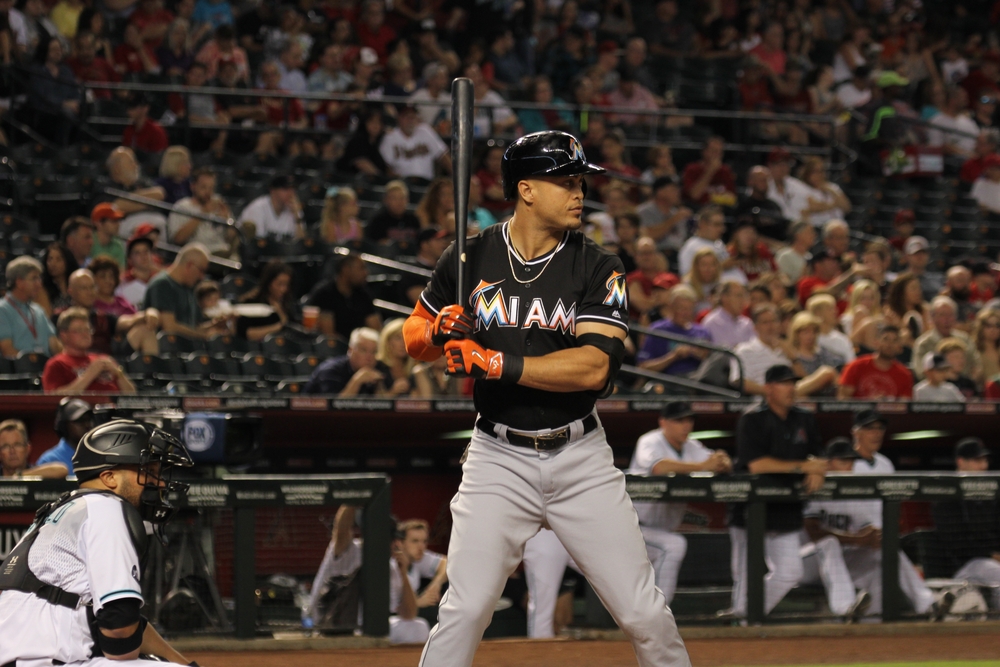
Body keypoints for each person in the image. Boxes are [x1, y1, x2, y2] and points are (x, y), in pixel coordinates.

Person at [402, 130, 691, 667]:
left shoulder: (598, 265)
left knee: (643, 613)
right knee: (464, 610)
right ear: (527, 190)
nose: (579, 193)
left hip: (579, 457)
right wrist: (440, 330)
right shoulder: (469, 256)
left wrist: (494, 362)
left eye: (581, 181)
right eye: (566, 182)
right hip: (497, 458)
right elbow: (412, 336)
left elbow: (593, 366)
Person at [0, 418, 195, 665]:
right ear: (109, 477)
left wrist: (184, 663)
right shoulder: (108, 507)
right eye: (149, 472)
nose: (161, 483)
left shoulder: (66, 510)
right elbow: (120, 634)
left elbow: (126, 622)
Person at [803, 412, 944, 620]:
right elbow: (813, 532)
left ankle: (926, 605)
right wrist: (859, 539)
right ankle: (845, 608)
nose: (849, 466)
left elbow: (868, 525)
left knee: (885, 553)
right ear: (828, 463)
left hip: (847, 556)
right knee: (829, 545)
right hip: (807, 559)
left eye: (850, 461)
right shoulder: (817, 484)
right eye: (842, 461)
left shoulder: (857, 487)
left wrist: (874, 536)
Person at [725, 364, 825, 619]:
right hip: (750, 511)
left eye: (793, 383)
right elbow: (758, 464)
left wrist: (817, 469)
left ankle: (744, 616)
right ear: (769, 388)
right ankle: (742, 628)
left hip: (785, 509)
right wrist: (805, 466)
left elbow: (818, 455)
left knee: (791, 572)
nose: (791, 388)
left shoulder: (804, 418)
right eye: (785, 383)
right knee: (745, 576)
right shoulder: (752, 419)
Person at [628, 402, 732, 604]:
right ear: (663, 422)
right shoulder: (650, 440)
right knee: (674, 545)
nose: (686, 426)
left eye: (689, 420)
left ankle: (654, 614)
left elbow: (718, 463)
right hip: (632, 529)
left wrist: (723, 462)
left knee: (668, 549)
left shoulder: (692, 446)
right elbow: (659, 467)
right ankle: (658, 614)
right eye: (679, 421)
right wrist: (703, 466)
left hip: (658, 533)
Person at [305, 505, 439, 643]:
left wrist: (403, 574)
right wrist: (351, 501)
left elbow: (409, 614)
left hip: (366, 629)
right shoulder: (351, 551)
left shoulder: (392, 567)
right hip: (331, 623)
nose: (394, 544)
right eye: (390, 539)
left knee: (418, 626)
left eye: (394, 540)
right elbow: (342, 530)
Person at [931, 438, 1000, 610]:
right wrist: (991, 555)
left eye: (984, 460)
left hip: (985, 568)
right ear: (961, 462)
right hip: (961, 568)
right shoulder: (946, 496)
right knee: (994, 571)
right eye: (977, 460)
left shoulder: (990, 496)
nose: (983, 466)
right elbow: (957, 544)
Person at [41, 307, 137, 394]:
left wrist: (118, 373)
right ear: (64, 336)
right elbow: (54, 398)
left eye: (87, 330)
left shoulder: (104, 359)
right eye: (79, 330)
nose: (85, 334)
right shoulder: (56, 364)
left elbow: (132, 395)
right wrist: (90, 374)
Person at [65, 268, 159, 356]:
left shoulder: (101, 317)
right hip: (78, 365)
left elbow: (126, 321)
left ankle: (154, 373)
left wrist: (147, 313)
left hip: (110, 364)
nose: (90, 292)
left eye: (92, 287)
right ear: (71, 291)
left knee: (146, 328)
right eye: (84, 288)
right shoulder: (62, 318)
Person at [142, 243, 221, 340]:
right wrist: (203, 336)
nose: (202, 276)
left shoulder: (189, 288)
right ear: (189, 265)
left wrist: (213, 325)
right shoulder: (162, 284)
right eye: (201, 270)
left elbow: (192, 328)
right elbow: (169, 327)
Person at [637, 284, 712, 377]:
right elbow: (643, 367)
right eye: (681, 308)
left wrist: (700, 354)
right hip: (670, 380)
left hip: (698, 378)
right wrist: (674, 356)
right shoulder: (658, 330)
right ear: (671, 307)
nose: (685, 313)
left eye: (689, 309)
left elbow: (711, 364)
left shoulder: (702, 332)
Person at [306, 253, 382, 341]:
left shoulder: (363, 294)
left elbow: (376, 328)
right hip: (335, 349)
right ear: (345, 270)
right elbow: (329, 335)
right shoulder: (324, 293)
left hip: (361, 346)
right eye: (361, 268)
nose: (366, 273)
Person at [168, 167, 237, 258]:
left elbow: (231, 238)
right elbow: (178, 239)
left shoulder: (218, 204)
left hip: (223, 250)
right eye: (203, 187)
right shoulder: (182, 206)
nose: (208, 192)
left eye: (211, 188)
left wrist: (226, 219)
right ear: (193, 186)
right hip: (198, 254)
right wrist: (203, 213)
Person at [0, 256, 61, 358]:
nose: (39, 284)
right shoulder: (2, 310)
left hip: (44, 370)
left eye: (39, 278)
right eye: (34, 278)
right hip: (19, 371)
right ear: (19, 282)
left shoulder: (38, 311)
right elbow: (7, 351)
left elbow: (55, 346)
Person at [837, 324, 913, 399]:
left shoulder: (904, 375)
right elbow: (843, 399)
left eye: (894, 340)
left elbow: (905, 405)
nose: (889, 344)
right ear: (876, 343)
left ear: (899, 347)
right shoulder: (856, 366)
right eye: (885, 339)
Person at [380, 105, 451, 182]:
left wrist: (457, 177)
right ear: (399, 118)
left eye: (413, 117)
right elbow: (385, 167)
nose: (410, 120)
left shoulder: (425, 131)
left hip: (426, 183)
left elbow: (443, 155)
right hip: (403, 185)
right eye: (407, 117)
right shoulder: (390, 137)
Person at [304, 327, 384, 395]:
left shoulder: (377, 370)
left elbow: (383, 408)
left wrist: (379, 387)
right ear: (351, 350)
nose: (369, 357)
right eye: (363, 350)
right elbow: (333, 408)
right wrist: (357, 381)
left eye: (374, 352)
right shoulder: (331, 370)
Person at [912, 296, 977, 381]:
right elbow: (920, 372)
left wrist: (966, 381)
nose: (947, 319)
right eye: (942, 315)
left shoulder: (965, 340)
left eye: (950, 315)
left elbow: (976, 366)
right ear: (932, 318)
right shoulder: (923, 344)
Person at [234, 260, 298, 341]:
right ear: (268, 282)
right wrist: (278, 327)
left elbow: (293, 328)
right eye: (279, 284)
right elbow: (247, 333)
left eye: (286, 284)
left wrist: (281, 312)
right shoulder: (253, 302)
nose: (283, 289)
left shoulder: (287, 302)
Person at [34, 397, 92, 474]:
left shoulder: (98, 456)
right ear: (64, 426)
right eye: (80, 421)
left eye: (88, 420)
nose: (87, 425)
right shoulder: (50, 460)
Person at [239, 174, 304, 239]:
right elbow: (255, 244)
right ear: (273, 190)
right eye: (286, 189)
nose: (291, 193)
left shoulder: (295, 210)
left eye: (293, 189)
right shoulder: (257, 208)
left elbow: (300, 243)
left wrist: (297, 218)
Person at [637, 176, 692, 254]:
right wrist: (674, 219)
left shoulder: (676, 212)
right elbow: (648, 236)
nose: (677, 193)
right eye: (673, 189)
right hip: (656, 255)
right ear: (660, 192)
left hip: (678, 254)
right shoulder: (644, 211)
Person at [0, 419, 68, 479]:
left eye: (17, 445)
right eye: (6, 446)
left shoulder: (35, 472)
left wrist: (20, 476)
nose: (12, 451)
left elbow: (62, 470)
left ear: (27, 449)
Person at [682, 136, 736, 207]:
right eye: (713, 151)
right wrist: (710, 171)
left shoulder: (725, 170)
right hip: (697, 208)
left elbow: (732, 197)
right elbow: (694, 196)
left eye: (719, 152)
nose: (716, 155)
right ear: (704, 151)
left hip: (720, 209)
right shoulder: (692, 169)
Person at [364, 180, 421, 246]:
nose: (399, 202)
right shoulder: (378, 221)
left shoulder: (414, 220)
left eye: (402, 198)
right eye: (394, 198)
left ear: (408, 200)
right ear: (386, 200)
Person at [702, 281, 754, 348]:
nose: (742, 301)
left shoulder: (747, 323)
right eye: (738, 296)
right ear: (724, 298)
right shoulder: (711, 323)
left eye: (743, 296)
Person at [116, 233, 159, 308]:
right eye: (137, 253)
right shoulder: (122, 283)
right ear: (130, 259)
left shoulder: (158, 280)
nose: (143, 256)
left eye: (146, 251)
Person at [89, 203, 127, 268]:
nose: (118, 225)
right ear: (99, 223)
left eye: (118, 221)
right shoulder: (89, 242)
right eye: (113, 221)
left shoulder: (118, 244)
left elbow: (121, 272)